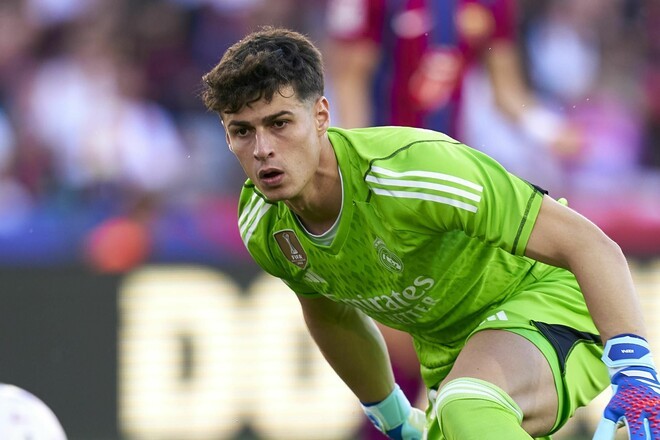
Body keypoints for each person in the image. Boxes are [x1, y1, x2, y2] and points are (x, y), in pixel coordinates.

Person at [200, 27, 660, 440]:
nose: (262, 149)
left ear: (321, 116)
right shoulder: (262, 225)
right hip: (452, 355)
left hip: (549, 297)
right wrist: (393, 415)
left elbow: (589, 244)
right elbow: (330, 315)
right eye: (242, 131)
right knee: (465, 404)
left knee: (468, 402)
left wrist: (635, 370)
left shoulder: (412, 170)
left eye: (280, 123)